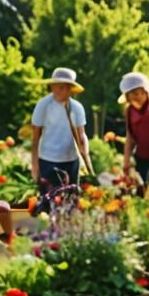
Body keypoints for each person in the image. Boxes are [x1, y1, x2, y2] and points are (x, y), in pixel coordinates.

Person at [30, 68, 92, 209]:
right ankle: (48, 230)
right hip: (48, 160)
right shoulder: (43, 105)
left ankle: (67, 229)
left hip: (71, 161)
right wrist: (34, 164)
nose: (58, 90)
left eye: (63, 87)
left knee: (71, 201)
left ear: (70, 89)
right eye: (56, 86)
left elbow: (82, 135)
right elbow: (35, 136)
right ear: (51, 86)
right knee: (49, 202)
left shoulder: (76, 108)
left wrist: (85, 152)